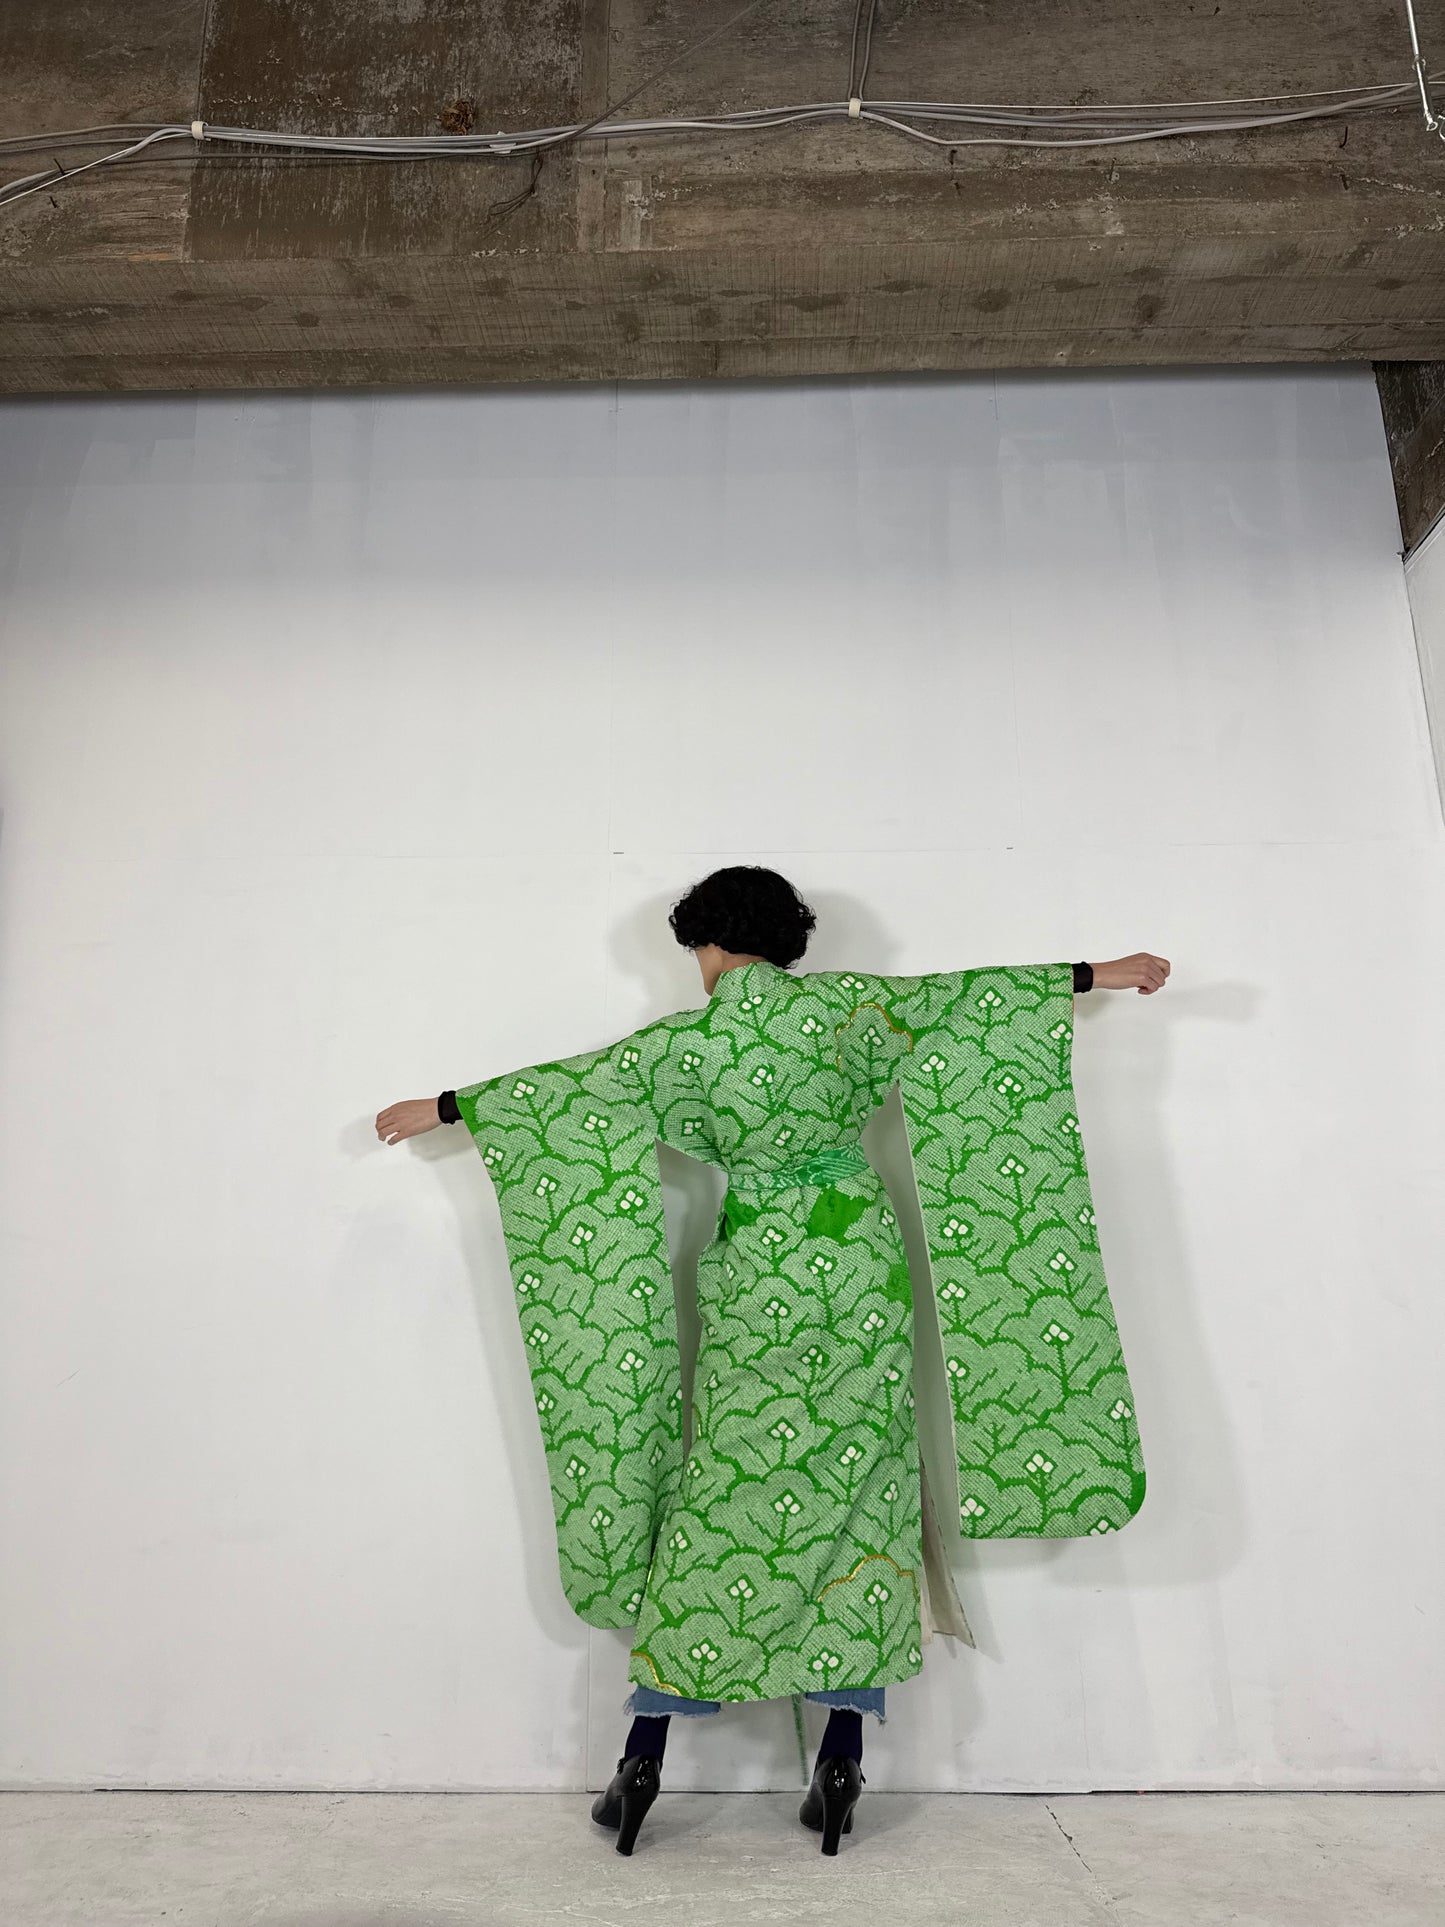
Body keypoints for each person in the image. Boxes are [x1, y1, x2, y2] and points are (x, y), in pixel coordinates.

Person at [376, 867, 1168, 1855]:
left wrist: (448, 1106)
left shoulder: (682, 1042)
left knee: (721, 1491)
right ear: (783, 939)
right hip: (859, 1263)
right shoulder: (847, 1008)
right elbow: (969, 999)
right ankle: (841, 1758)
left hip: (757, 1273)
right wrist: (1097, 972)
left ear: (709, 945)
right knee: (865, 1487)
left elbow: (570, 1091)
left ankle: (642, 1755)